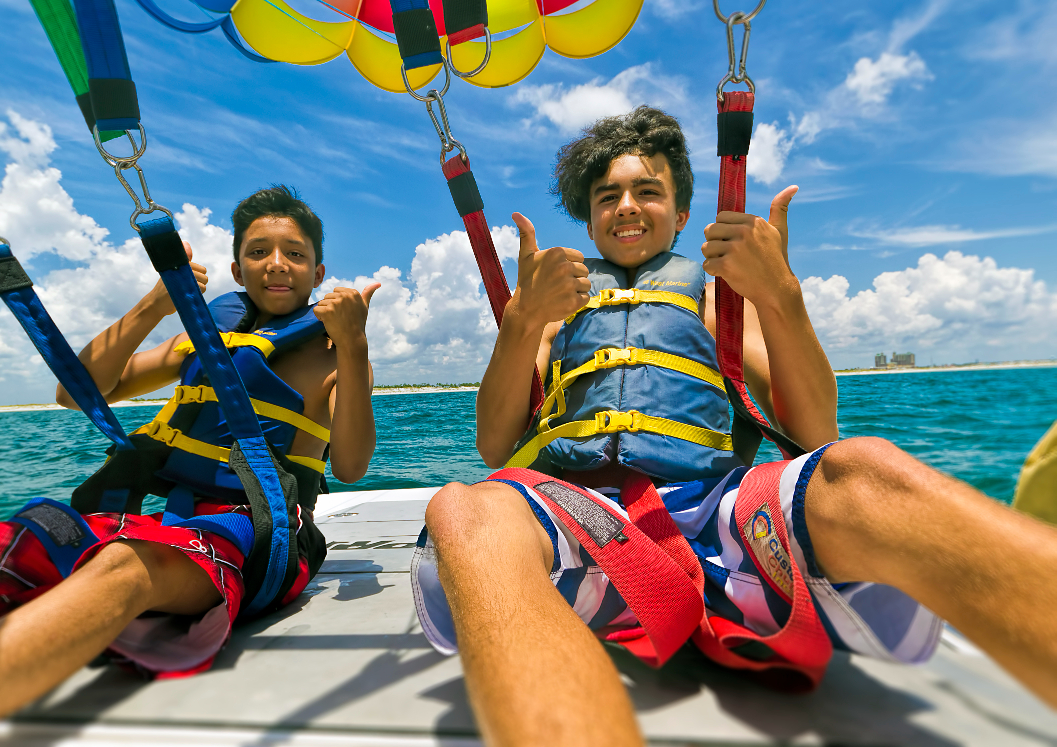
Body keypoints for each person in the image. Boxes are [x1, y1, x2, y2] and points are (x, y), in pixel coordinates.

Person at [412, 107, 1057, 746]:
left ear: (683, 213)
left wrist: (780, 296)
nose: (627, 206)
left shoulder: (718, 295)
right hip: (577, 515)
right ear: (588, 218)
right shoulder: (559, 303)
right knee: (466, 512)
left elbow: (814, 432)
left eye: (648, 191)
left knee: (867, 472)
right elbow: (497, 447)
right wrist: (525, 321)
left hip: (716, 516)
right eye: (608, 196)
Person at [0, 185, 380, 745]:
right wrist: (156, 303)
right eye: (258, 252)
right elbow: (75, 390)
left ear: (318, 269)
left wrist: (354, 345)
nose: (276, 265)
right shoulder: (205, 340)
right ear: (237, 266)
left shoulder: (332, 356)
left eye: (294, 254)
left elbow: (350, 465)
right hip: (167, 526)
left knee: (122, 569)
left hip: (262, 537)